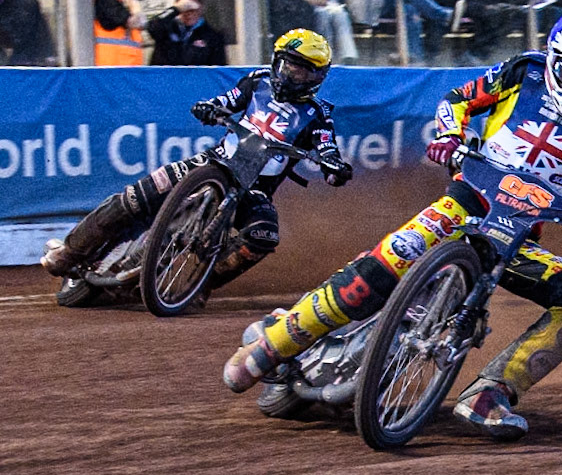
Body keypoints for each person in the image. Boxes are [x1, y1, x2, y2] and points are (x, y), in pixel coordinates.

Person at [221, 5, 562, 442]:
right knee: (387, 260)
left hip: (518, 237)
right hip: (465, 204)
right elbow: (458, 99)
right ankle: (274, 343)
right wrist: (449, 136)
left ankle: (491, 394)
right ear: (552, 55)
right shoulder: (523, 71)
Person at [42, 30, 351, 292]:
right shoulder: (257, 81)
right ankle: (69, 253)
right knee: (138, 195)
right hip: (214, 162)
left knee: (263, 235)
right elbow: (227, 100)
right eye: (288, 66)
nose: (292, 75)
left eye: (303, 71)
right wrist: (208, 107)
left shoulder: (318, 114)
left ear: (318, 77)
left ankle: (198, 285)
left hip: (255, 189)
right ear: (276, 62)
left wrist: (334, 167)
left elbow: (327, 147)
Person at [147, 0, 227, 65]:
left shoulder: (213, 36)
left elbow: (218, 70)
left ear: (201, 7)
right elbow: (151, 27)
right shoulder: (166, 28)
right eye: (185, 9)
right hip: (164, 77)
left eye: (193, 10)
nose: (189, 14)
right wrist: (175, 9)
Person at [92, 0, 147, 66]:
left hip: (127, 69)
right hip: (111, 69)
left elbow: (144, 23)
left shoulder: (122, 1)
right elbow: (138, 22)